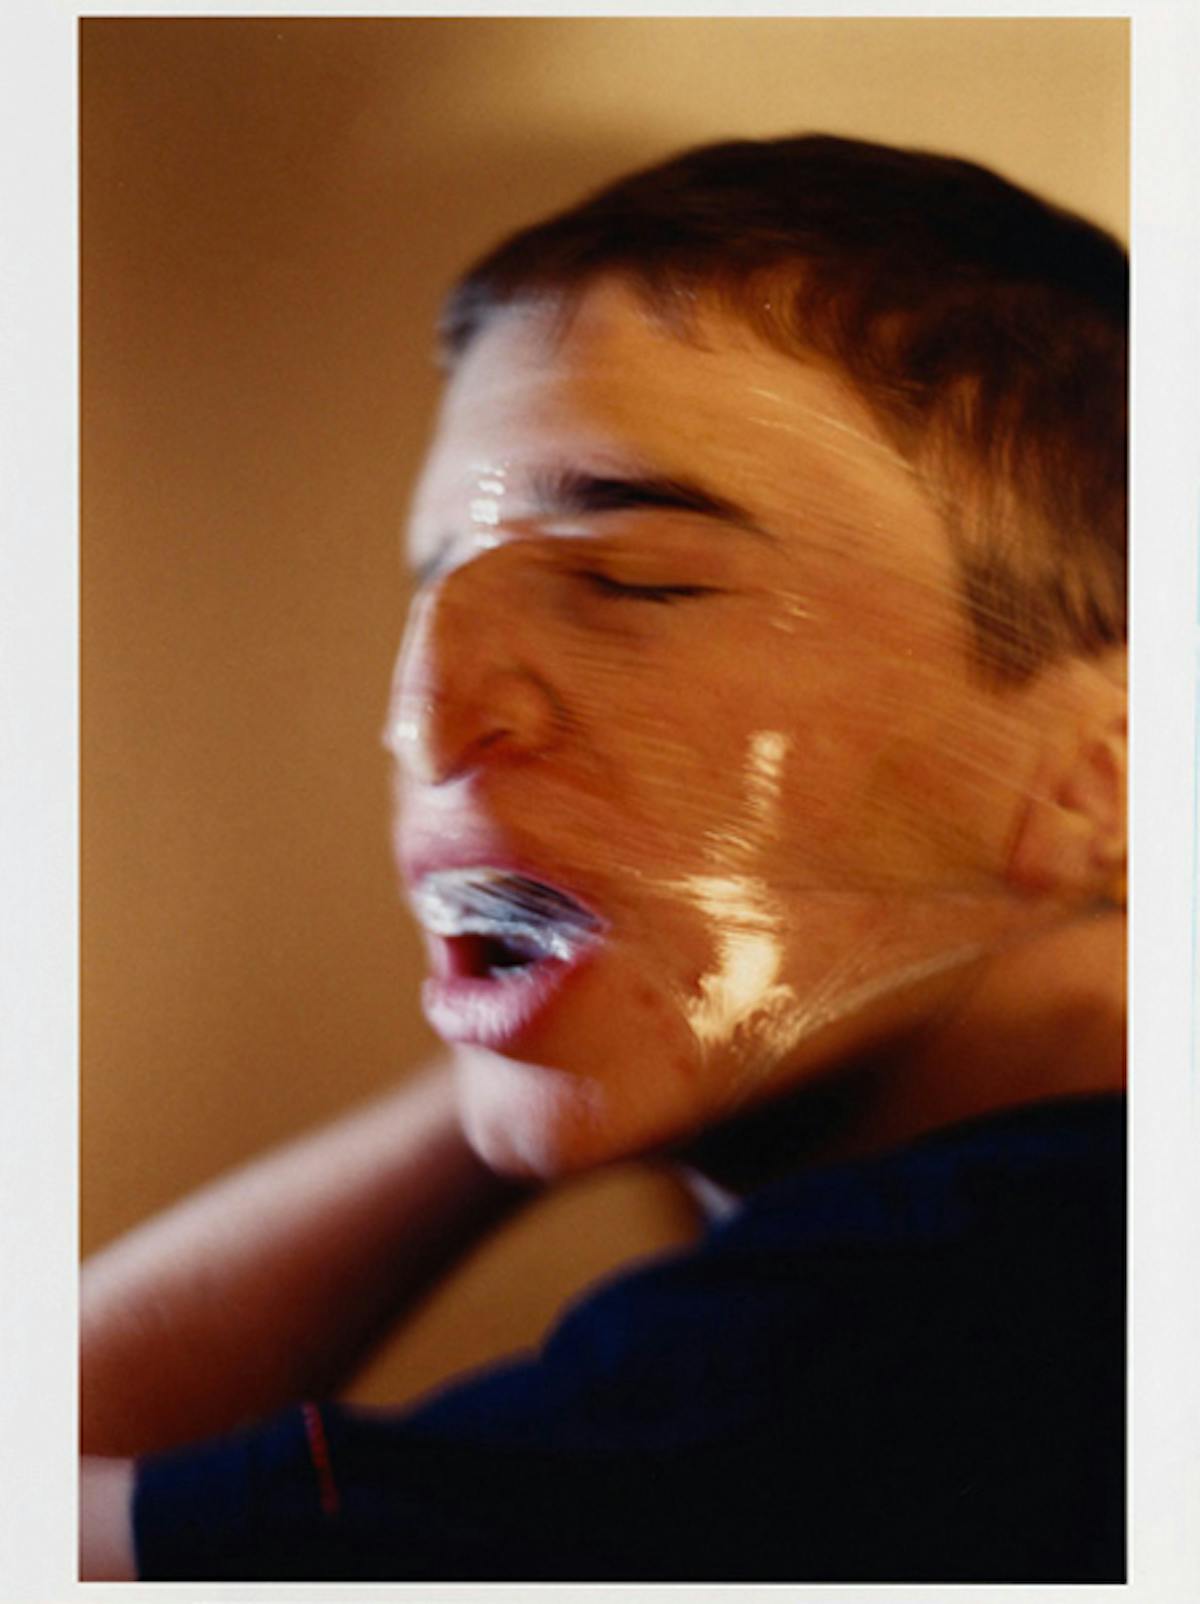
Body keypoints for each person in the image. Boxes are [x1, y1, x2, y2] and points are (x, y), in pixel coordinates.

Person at [80, 134, 1127, 1581]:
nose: (425, 718)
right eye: (440, 585)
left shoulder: (893, 1344)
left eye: (634, 580)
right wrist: (539, 1016)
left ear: (1106, 770)